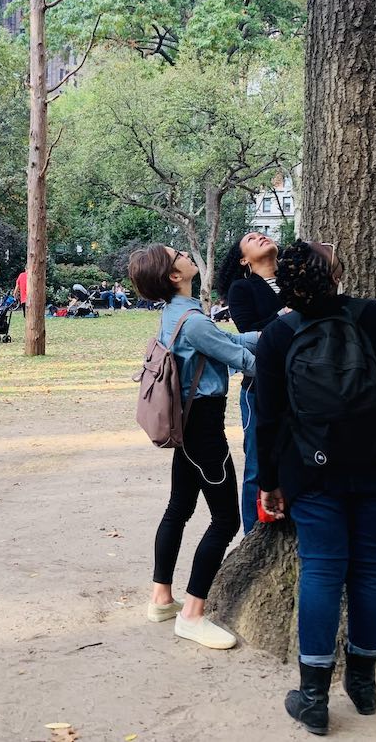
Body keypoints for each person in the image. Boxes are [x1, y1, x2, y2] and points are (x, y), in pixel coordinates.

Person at [253, 241, 376, 735]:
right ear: (337, 273)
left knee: (322, 572)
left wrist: (269, 483)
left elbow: (267, 419)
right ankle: (364, 686)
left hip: (311, 471)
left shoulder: (278, 336)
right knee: (370, 566)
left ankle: (312, 697)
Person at [130, 243, 257, 652]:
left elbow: (227, 339)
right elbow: (242, 358)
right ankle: (192, 615)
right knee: (225, 520)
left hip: (186, 423)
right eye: (179, 254)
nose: (187, 255)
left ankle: (162, 599)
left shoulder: (176, 314)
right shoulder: (192, 321)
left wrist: (277, 330)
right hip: (203, 428)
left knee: (178, 509)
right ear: (174, 276)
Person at [218, 231, 284, 535]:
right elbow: (253, 335)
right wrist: (288, 312)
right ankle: (253, 533)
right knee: (258, 463)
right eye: (251, 238)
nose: (260, 236)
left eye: (262, 233)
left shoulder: (296, 277)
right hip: (260, 388)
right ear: (244, 259)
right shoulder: (242, 288)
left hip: (304, 385)